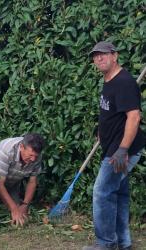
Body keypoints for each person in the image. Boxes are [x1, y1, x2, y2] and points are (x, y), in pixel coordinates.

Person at [83, 41, 145, 250]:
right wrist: (103, 132)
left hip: (121, 151)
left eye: (103, 54)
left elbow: (134, 117)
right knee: (118, 194)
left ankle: (106, 244)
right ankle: (123, 242)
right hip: (113, 146)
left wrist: (122, 150)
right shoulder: (109, 80)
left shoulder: (124, 82)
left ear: (115, 56)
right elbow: (112, 112)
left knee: (101, 192)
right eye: (95, 56)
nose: (98, 58)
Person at [0, 133, 45, 226]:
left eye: (36, 156)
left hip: (9, 182)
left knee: (17, 211)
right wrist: (14, 209)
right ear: (21, 147)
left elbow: (32, 182)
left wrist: (24, 205)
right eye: (31, 155)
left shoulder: (36, 157)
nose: (33, 159)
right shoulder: (7, 150)